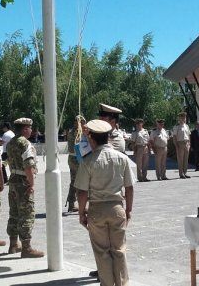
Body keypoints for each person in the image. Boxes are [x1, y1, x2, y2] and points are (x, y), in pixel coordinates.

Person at [75, 119, 135, 286]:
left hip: (97, 210)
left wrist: (81, 212)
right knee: (119, 250)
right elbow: (129, 188)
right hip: (117, 208)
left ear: (92, 139)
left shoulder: (88, 161)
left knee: (102, 252)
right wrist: (128, 210)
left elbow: (82, 192)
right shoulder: (121, 158)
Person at [5, 117, 44, 258]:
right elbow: (28, 165)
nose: (31, 130)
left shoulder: (10, 143)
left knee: (14, 213)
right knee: (27, 213)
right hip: (23, 181)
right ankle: (26, 247)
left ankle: (13, 244)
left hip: (14, 179)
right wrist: (31, 183)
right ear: (25, 129)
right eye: (30, 128)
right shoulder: (25, 143)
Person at [66, 116, 86, 211]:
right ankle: (80, 204)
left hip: (73, 158)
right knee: (80, 182)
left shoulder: (72, 131)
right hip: (77, 158)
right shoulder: (77, 132)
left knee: (74, 181)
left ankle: (71, 203)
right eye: (82, 122)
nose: (83, 124)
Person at [172, 112, 191, 179]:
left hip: (186, 143)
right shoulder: (176, 126)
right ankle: (181, 173)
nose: (183, 118)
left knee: (186, 159)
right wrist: (176, 146)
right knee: (180, 159)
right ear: (179, 118)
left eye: (184, 117)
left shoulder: (187, 126)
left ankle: (185, 172)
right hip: (180, 143)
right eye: (182, 117)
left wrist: (189, 144)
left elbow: (188, 135)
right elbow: (174, 137)